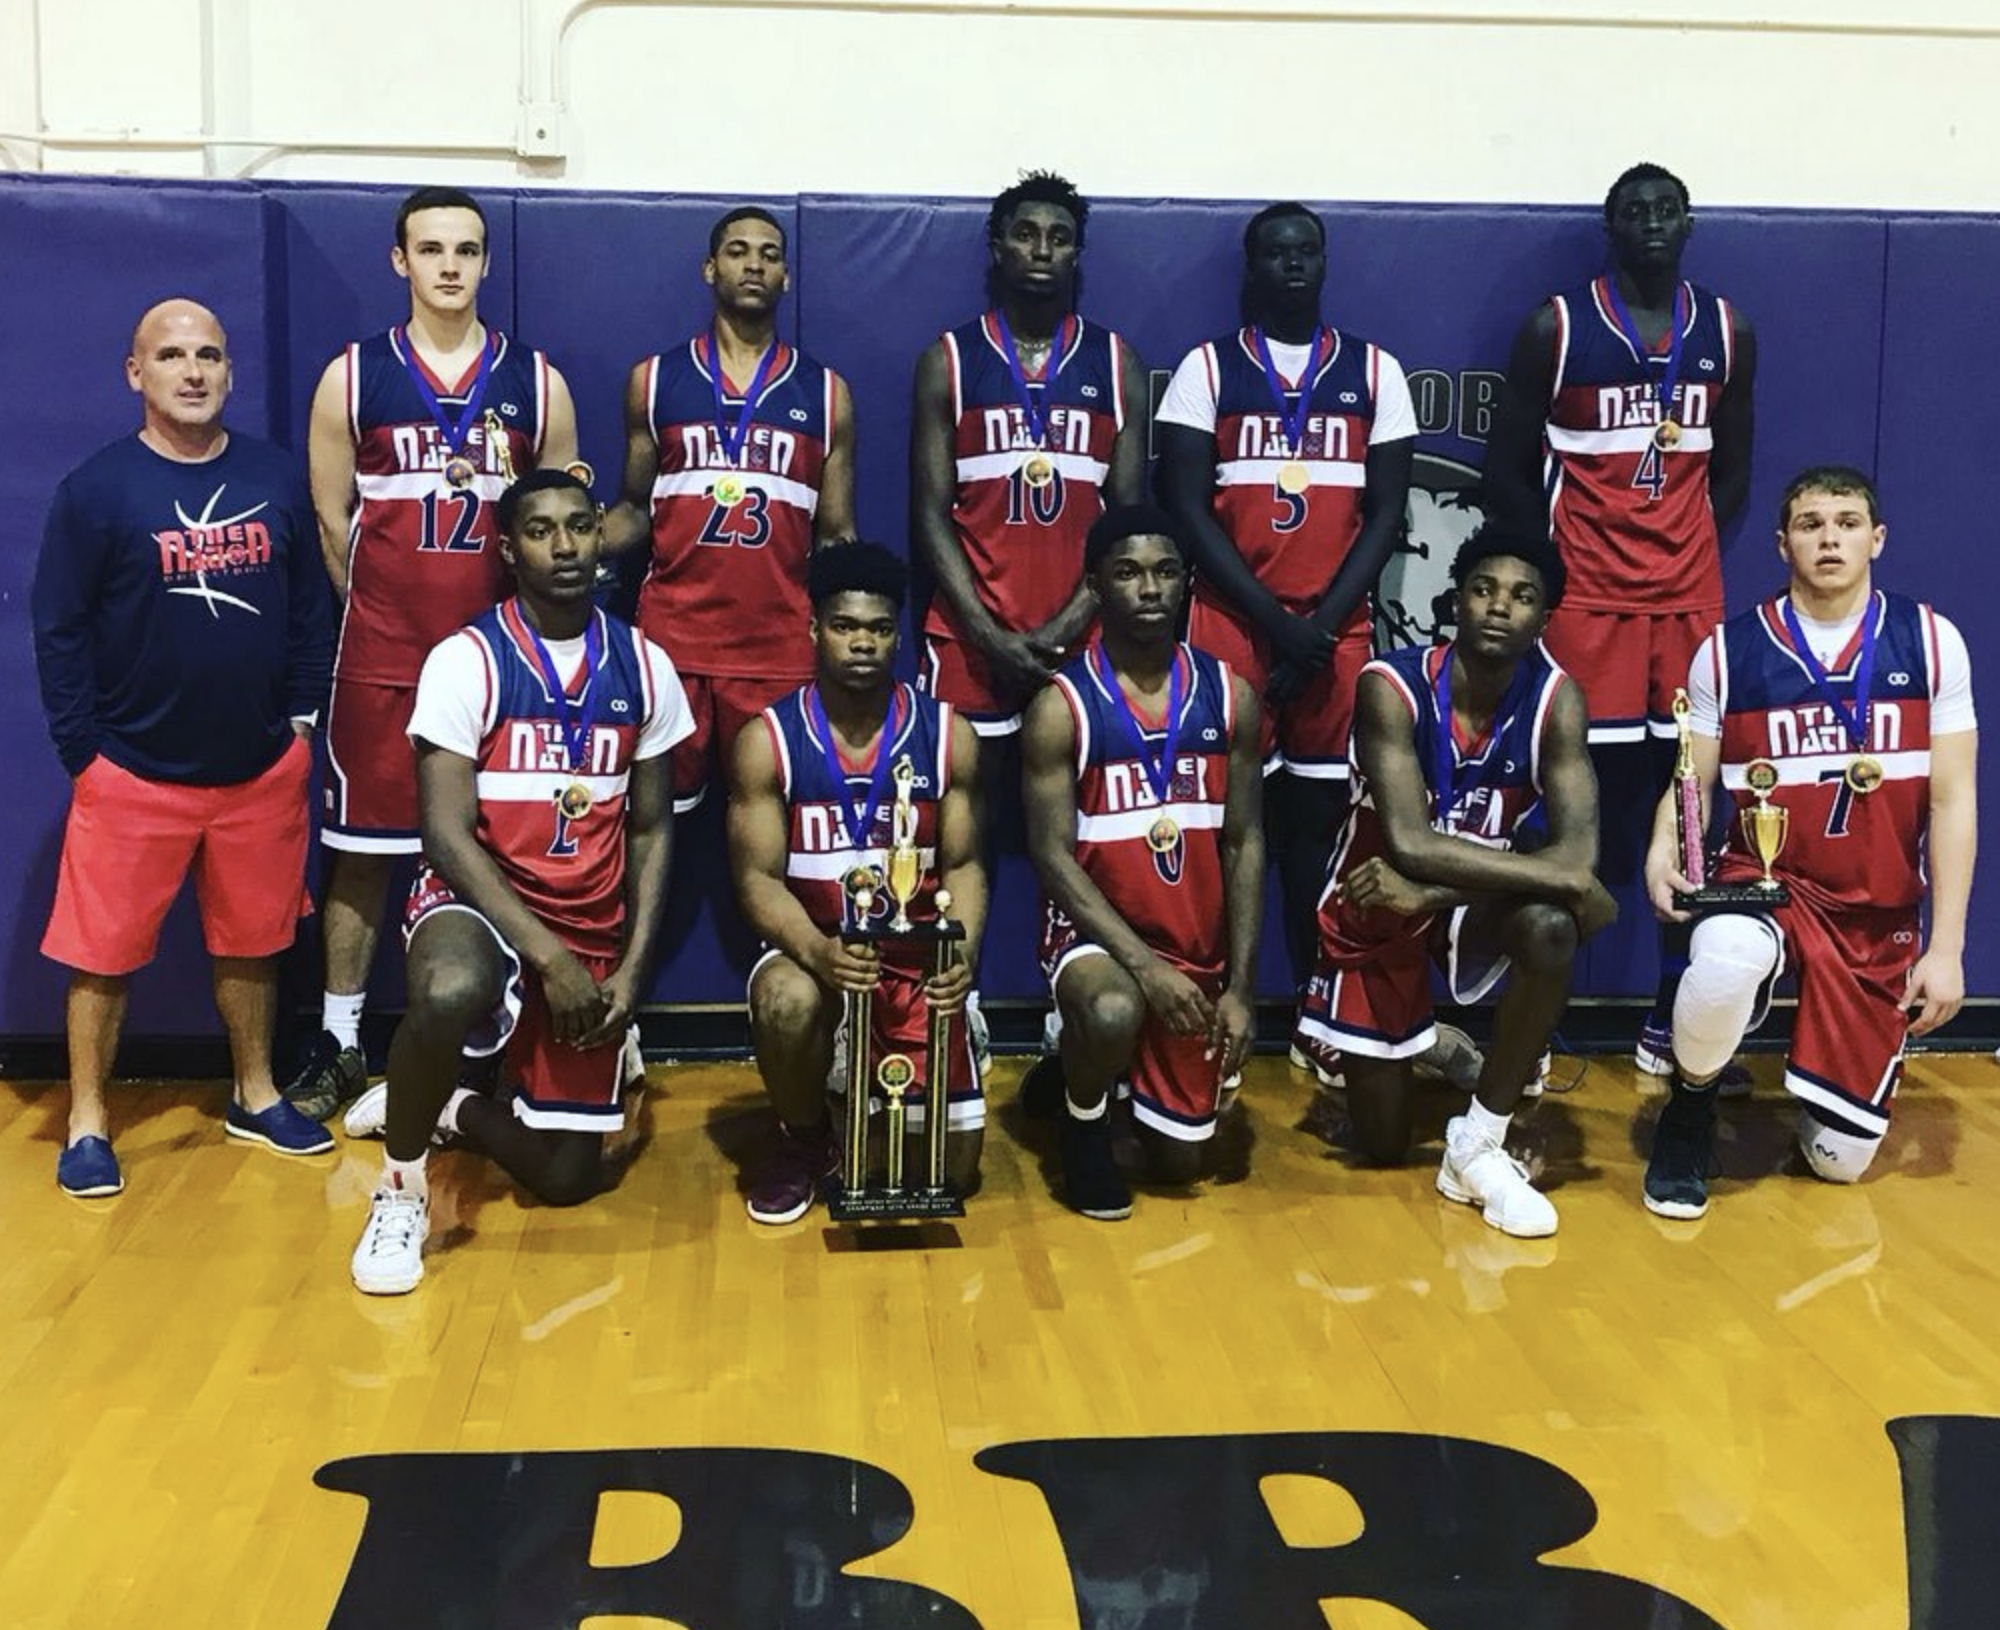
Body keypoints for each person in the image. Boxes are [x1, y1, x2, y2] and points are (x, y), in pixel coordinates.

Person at [345, 470, 691, 1293]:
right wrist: (545, 955)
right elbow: (443, 833)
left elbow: (651, 828)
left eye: (580, 525)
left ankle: (445, 1105)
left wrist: (631, 972)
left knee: (571, 1179)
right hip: (481, 904)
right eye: (541, 530)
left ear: (602, 538)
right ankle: (400, 1187)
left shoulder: (644, 666)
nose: (564, 545)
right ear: (508, 549)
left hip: (587, 920)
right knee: (449, 987)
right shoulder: (467, 660)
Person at [288, 186, 581, 1121]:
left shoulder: (537, 382)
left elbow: (560, 510)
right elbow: (333, 521)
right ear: (399, 261)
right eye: (431, 248)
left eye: (466, 249)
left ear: (487, 263)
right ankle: (339, 1038)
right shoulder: (350, 375)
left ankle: (488, 1040)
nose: (449, 265)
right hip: (382, 657)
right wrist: (379, 614)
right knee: (364, 853)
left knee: (499, 849)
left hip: (503, 669)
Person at [33, 298, 336, 1196]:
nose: (193, 371)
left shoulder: (277, 478)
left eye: (209, 354)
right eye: (171, 355)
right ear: (137, 374)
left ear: (230, 372)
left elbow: (312, 613)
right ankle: (89, 1122)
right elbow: (60, 631)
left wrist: (301, 724)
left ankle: (254, 1092)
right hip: (131, 771)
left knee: (254, 943)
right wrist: (84, 752)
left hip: (258, 771)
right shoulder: (96, 490)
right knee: (103, 953)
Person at [1640, 467, 1976, 1218]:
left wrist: (1947, 947)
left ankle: (1824, 1093)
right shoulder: (1727, 652)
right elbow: (1691, 777)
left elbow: (1954, 800)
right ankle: (1688, 1109)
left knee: (1837, 1166)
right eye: (1811, 523)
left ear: (1876, 539)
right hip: (1764, 882)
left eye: (1848, 522)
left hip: (1875, 908)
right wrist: (1666, 843)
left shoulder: (1930, 641)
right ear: (1782, 542)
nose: (1830, 538)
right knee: (1725, 962)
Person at [1481, 161, 1756, 1076]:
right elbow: (1507, 469)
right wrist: (1560, 575)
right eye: (1633, 210)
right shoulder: (1557, 326)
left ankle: (1667, 1013)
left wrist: (1681, 554)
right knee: (1566, 803)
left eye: (1666, 209)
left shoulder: (1725, 330)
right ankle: (1537, 1013)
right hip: (1589, 601)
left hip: (1684, 605)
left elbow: (1734, 471)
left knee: (1688, 803)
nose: (1650, 222)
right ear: (1610, 225)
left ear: (1689, 223)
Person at [1295, 523, 1616, 1238]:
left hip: (1455, 901)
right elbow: (1408, 843)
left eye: (1522, 596)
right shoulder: (1391, 686)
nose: (1500, 607)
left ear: (1544, 617)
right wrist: (1554, 876)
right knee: (1379, 1146)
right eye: (1483, 590)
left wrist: (1438, 892)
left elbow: (1578, 858)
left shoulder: (1557, 700)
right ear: (1455, 602)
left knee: (1553, 926)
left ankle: (1478, 1139)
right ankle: (1422, 1041)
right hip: (1375, 903)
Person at [1156, 200, 1416, 991]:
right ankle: (1203, 988)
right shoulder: (1207, 368)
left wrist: (1321, 626)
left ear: (1325, 262)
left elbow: (1387, 515)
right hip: (1231, 625)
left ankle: (1322, 999)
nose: (1292, 264)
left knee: (1322, 825)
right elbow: (1188, 512)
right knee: (1216, 823)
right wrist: (1277, 624)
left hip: (1336, 633)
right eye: (1275, 252)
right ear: (1252, 266)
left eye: (1306, 250)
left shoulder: (1377, 372)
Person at [727, 543, 987, 1225]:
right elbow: (756, 881)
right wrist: (818, 953)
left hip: (915, 962)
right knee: (783, 997)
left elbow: (963, 865)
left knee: (953, 1177)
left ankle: (941, 1045)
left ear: (898, 636)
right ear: (815, 630)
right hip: (817, 954)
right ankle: (803, 1139)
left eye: (877, 629)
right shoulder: (768, 739)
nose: (862, 643)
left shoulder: (946, 736)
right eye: (845, 626)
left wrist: (960, 957)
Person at [1020, 505, 1264, 1220]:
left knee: (1182, 1164)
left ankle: (1072, 1069)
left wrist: (1242, 987)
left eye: (1165, 573)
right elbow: (1051, 858)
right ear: (1095, 586)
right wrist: (1145, 968)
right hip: (1095, 936)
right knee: (1113, 1006)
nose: (1150, 589)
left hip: (1192, 940)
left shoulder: (1232, 696)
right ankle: (1083, 1118)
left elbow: (1245, 842)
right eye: (1128, 573)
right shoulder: (1061, 708)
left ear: (1188, 583)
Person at [606, 205, 857, 815]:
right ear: (710, 267)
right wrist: (580, 539)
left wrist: (847, 631)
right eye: (739, 251)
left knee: (776, 825)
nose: (754, 264)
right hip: (674, 643)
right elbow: (636, 509)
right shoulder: (655, 380)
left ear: (786, 278)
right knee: (654, 825)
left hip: (778, 647)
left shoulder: (826, 393)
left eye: (770, 255)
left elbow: (837, 535)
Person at [911, 170, 1149, 738]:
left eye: (1059, 237)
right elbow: (930, 512)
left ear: (1076, 254)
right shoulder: (949, 360)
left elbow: (1127, 521)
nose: (1042, 249)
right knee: (968, 816)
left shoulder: (1118, 363)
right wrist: (987, 634)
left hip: (1086, 632)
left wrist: (1068, 624)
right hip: (968, 637)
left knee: (1074, 817)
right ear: (998, 248)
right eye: (1026, 233)